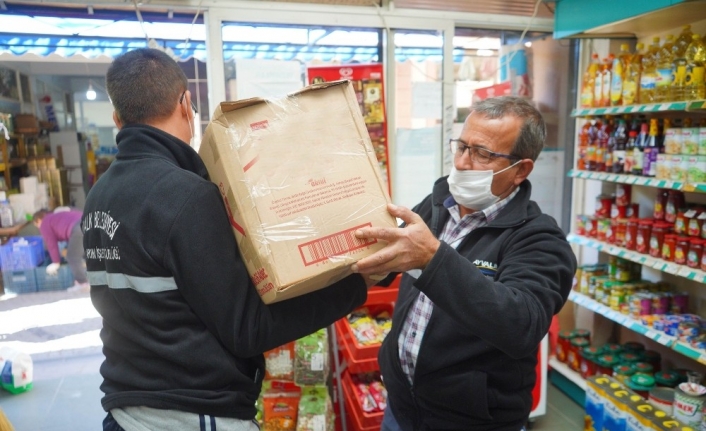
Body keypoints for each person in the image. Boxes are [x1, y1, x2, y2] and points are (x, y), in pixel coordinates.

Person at [84, 48, 375, 430]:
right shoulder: (185, 196)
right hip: (193, 413)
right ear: (186, 104)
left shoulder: (99, 196)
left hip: (126, 413)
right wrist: (356, 286)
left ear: (117, 118)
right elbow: (247, 329)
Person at [351, 96, 577, 431]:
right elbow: (386, 263)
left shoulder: (540, 240)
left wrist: (433, 259)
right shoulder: (437, 205)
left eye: (483, 153)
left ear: (520, 170)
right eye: (461, 147)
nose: (463, 163)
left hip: (472, 422)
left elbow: (521, 325)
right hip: (401, 407)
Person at [32, 208, 88, 291]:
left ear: (38, 220)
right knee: (90, 254)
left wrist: (56, 262)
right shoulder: (57, 216)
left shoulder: (44, 223)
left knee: (72, 257)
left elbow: (51, 244)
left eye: (37, 226)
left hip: (78, 228)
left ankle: (82, 283)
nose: (39, 228)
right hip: (90, 222)